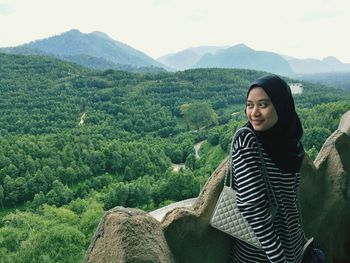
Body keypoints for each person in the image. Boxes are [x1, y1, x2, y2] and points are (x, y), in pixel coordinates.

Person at [230, 74, 306, 262]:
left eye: (263, 105)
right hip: (261, 255)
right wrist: (278, 258)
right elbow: (252, 208)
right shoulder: (246, 140)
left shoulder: (290, 143)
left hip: (293, 245)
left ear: (281, 106)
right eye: (249, 105)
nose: (254, 112)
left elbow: (290, 199)